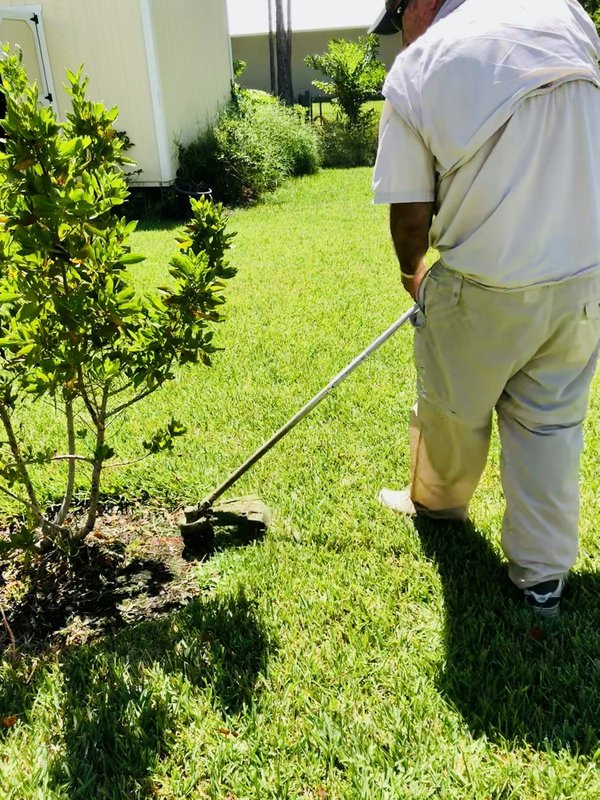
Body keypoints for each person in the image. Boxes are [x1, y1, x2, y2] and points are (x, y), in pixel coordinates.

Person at [370, 0, 600, 615]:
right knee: (550, 427)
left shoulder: (418, 69)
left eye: (399, 25)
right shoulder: (567, 14)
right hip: (582, 278)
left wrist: (410, 270)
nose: (402, 39)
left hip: (484, 284)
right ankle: (542, 579)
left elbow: (409, 205)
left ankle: (437, 505)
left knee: (451, 409)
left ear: (418, 5)